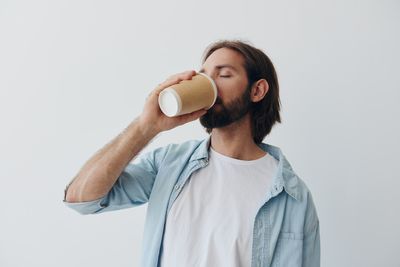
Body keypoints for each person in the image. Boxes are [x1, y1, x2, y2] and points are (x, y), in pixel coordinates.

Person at [63, 40, 320, 267]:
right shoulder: (169, 164)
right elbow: (81, 198)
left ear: (257, 91)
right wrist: (146, 127)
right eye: (204, 75)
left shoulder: (292, 197)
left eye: (224, 75)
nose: (209, 84)